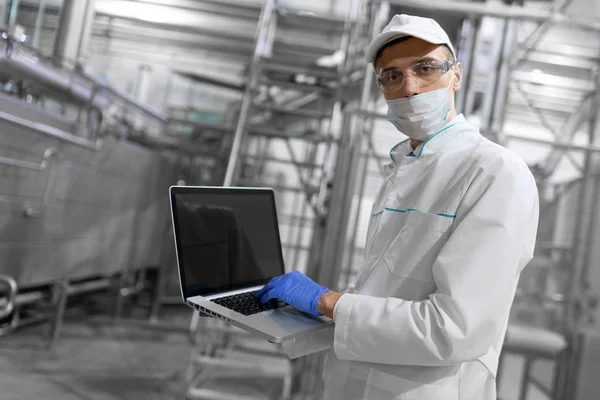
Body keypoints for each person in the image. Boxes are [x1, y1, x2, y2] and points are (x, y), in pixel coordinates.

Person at [256, 14, 539, 400]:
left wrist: (329, 301)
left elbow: (454, 328)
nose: (408, 88)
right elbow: (388, 297)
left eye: (425, 68)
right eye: (391, 76)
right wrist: (292, 316)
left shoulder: (496, 172)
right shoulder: (404, 168)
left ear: (455, 75)